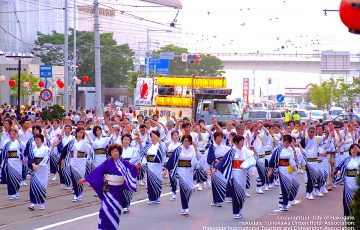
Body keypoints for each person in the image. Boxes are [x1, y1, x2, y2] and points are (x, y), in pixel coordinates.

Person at [78, 144, 141, 230]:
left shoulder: (124, 163)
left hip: (118, 189)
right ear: (110, 153)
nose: (114, 153)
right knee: (105, 209)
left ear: (119, 152)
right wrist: (85, 179)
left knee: (116, 210)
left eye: (116, 151)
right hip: (107, 189)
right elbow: (97, 171)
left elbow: (132, 170)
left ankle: (113, 228)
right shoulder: (107, 163)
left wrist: (136, 168)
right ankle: (103, 227)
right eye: (112, 151)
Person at [213, 135, 255, 219]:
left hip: (243, 173)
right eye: (241, 141)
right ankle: (236, 212)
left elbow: (251, 159)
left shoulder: (245, 150)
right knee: (236, 193)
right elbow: (223, 160)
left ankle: (239, 209)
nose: (242, 143)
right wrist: (216, 168)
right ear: (236, 142)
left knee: (242, 193)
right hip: (235, 173)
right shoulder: (232, 151)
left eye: (243, 141)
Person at [164, 135, 199, 215]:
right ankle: (185, 207)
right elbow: (171, 160)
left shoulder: (192, 149)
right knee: (183, 189)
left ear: (190, 142)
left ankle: (185, 205)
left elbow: (195, 159)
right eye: (185, 141)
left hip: (190, 171)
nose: (186, 143)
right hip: (181, 171)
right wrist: (165, 169)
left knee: (189, 189)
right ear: (182, 141)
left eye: (188, 141)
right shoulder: (178, 149)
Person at [60, 127, 92, 202]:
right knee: (73, 178)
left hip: (81, 161)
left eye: (82, 133)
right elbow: (64, 151)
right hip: (73, 160)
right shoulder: (71, 142)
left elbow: (90, 152)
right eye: (79, 132)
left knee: (80, 178)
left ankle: (79, 194)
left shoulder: (85, 142)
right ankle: (75, 194)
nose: (80, 134)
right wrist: (63, 159)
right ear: (76, 133)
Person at [269, 135, 297, 211]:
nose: (287, 144)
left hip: (289, 169)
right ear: (283, 141)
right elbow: (273, 160)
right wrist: (271, 170)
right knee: (283, 187)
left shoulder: (290, 149)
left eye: (289, 143)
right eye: (286, 142)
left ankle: (285, 203)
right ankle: (282, 204)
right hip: (281, 170)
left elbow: (293, 159)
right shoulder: (278, 150)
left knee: (288, 187)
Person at [140, 130, 166, 204]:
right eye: (152, 136)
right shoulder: (149, 145)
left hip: (157, 166)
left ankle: (157, 197)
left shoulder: (161, 145)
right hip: (150, 166)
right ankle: (151, 198)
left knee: (157, 181)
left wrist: (165, 168)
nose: (153, 138)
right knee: (149, 183)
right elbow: (143, 153)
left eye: (155, 136)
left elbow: (163, 155)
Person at [207, 131, 231, 207]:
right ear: (215, 138)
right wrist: (217, 161)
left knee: (223, 182)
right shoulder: (212, 147)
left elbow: (230, 153)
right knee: (215, 183)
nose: (220, 138)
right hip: (215, 166)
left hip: (223, 166)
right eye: (218, 137)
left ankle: (219, 200)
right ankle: (216, 200)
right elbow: (210, 158)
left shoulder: (225, 147)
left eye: (221, 137)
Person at [0, 128, 25, 200]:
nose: (12, 135)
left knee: (17, 177)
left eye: (13, 134)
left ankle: (16, 192)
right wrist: (1, 163)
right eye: (10, 134)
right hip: (10, 162)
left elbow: (23, 147)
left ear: (16, 134)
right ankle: (12, 193)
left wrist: (19, 140)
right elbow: (3, 153)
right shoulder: (8, 143)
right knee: (10, 178)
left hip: (18, 162)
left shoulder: (19, 142)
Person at [335, 144, 360, 216]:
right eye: (352, 149)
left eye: (355, 149)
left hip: (357, 182)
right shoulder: (347, 159)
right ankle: (347, 216)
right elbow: (338, 167)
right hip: (348, 183)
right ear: (350, 150)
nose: (354, 150)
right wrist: (338, 171)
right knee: (347, 200)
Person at [27, 134, 50, 210]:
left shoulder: (46, 149)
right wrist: (33, 165)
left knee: (42, 185)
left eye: (38, 139)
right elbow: (30, 159)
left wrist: (39, 165)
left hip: (42, 169)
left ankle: (42, 203)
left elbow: (46, 159)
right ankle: (32, 203)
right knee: (33, 186)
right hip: (34, 169)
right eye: (35, 139)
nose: (36, 141)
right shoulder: (33, 150)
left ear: (42, 140)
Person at [119, 134, 141, 213]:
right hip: (120, 171)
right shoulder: (118, 150)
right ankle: (123, 205)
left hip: (130, 171)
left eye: (128, 140)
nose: (126, 141)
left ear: (130, 141)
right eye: (124, 139)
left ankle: (126, 205)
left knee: (128, 188)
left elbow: (137, 158)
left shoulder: (133, 150)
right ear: (122, 140)